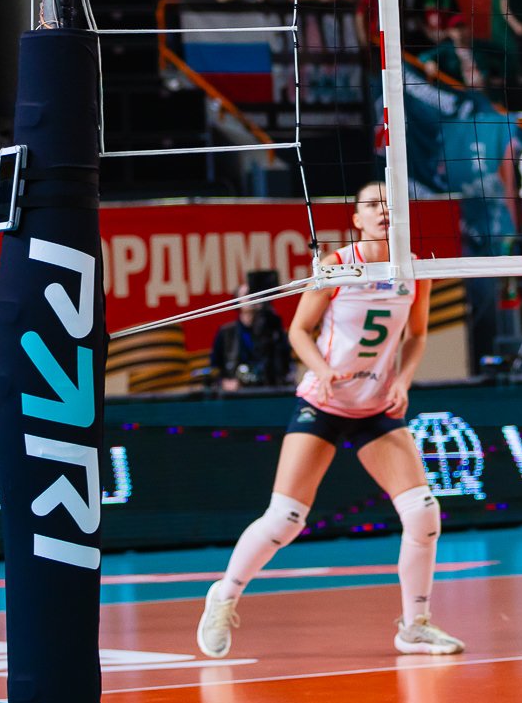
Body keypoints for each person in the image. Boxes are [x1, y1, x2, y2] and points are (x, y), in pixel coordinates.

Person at [197, 182, 463, 657]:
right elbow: (299, 330)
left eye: (389, 204)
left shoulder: (413, 269)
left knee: (423, 512)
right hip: (323, 403)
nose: (383, 211)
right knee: (285, 519)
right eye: (372, 205)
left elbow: (417, 335)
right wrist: (322, 371)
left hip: (376, 406)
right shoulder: (337, 266)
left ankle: (415, 626)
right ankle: (224, 595)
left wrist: (403, 380)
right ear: (356, 219)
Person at [209, 298, 290, 391]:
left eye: (252, 293)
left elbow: (284, 360)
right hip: (236, 390)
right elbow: (215, 365)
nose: (250, 297)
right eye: (246, 294)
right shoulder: (226, 331)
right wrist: (224, 381)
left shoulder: (271, 330)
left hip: (266, 387)